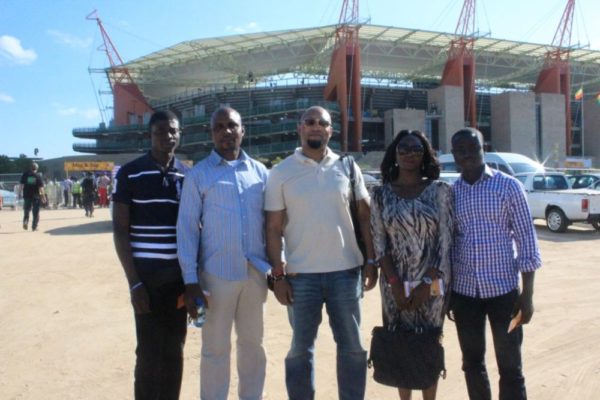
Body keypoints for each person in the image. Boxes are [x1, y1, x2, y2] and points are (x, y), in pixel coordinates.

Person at [264, 105, 377, 400]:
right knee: (300, 350)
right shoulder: (280, 173)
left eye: (322, 123)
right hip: (301, 277)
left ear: (330, 131)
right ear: (300, 128)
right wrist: (278, 275)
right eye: (309, 122)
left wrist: (372, 260)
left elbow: (365, 217)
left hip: (346, 273)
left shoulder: (347, 167)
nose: (316, 126)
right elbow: (273, 228)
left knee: (352, 347)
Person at [177, 107, 269, 400]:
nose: (226, 131)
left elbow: (273, 224)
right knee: (215, 349)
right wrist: (191, 281)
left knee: (253, 346)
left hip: (255, 276)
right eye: (219, 126)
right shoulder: (199, 175)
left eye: (232, 125)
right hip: (216, 276)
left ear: (243, 130)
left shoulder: (260, 173)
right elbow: (188, 229)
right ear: (211, 133)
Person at [449, 127, 542, 400]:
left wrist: (528, 296)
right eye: (460, 150)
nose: (467, 154)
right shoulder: (452, 193)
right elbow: (450, 243)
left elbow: (527, 240)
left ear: (484, 148)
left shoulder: (509, 186)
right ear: (454, 154)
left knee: (510, 364)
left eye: (472, 148)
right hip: (465, 295)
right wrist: (448, 296)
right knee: (472, 363)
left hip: (505, 294)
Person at [370, 130, 453, 400]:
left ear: (425, 154)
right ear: (395, 153)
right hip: (394, 283)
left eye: (416, 149)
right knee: (399, 341)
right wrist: (394, 284)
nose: (409, 154)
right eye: (403, 149)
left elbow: (445, 242)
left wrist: (426, 283)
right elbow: (379, 244)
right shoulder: (381, 195)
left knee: (429, 342)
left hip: (433, 281)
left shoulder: (439, 191)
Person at [113, 110, 190, 400]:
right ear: (150, 135)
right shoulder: (130, 172)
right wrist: (134, 283)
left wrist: (191, 281)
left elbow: (194, 229)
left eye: (173, 131)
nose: (167, 136)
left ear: (180, 134)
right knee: (147, 352)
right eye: (160, 131)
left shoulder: (187, 175)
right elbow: (120, 230)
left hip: (178, 281)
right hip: (145, 280)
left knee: (175, 350)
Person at [19, 162, 46, 231]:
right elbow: (41, 188)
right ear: (37, 168)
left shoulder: (25, 174)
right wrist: (43, 197)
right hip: (36, 196)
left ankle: (25, 221)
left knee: (27, 210)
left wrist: (19, 193)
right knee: (36, 212)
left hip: (27, 195)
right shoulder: (37, 176)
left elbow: (21, 185)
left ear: (30, 167)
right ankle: (34, 226)